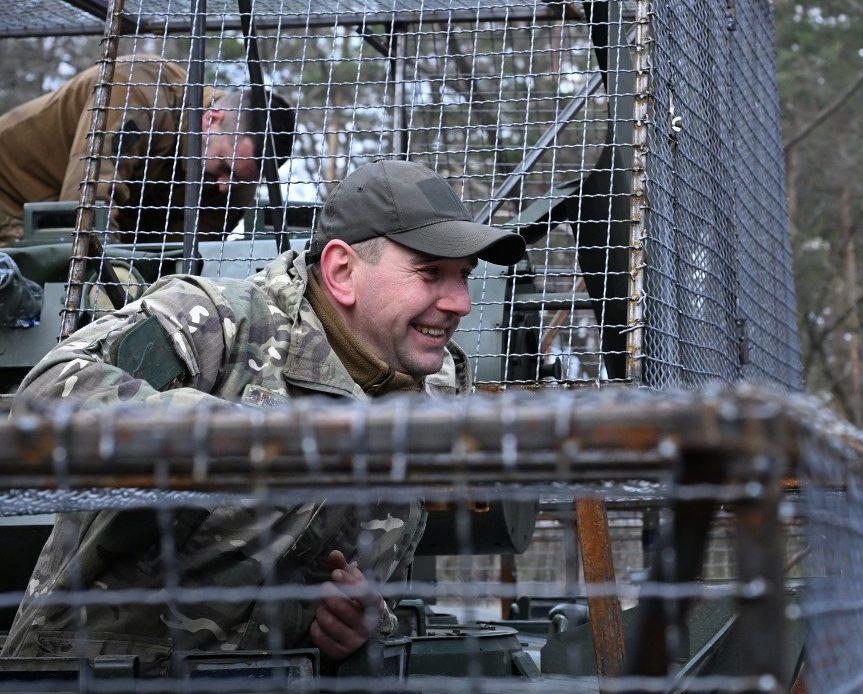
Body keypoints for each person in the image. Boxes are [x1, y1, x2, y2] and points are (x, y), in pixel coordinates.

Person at [0, 160, 526, 674]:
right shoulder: (220, 321)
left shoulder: (427, 410)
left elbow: (363, 589)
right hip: (91, 675)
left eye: (464, 277)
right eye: (431, 273)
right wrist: (246, 442)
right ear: (343, 271)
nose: (459, 302)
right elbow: (48, 394)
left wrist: (360, 629)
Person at [0, 54, 295, 246]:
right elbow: (86, 212)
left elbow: (185, 257)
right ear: (211, 120)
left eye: (239, 179)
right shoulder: (137, 93)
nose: (224, 186)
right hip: (10, 193)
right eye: (225, 168)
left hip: (56, 224)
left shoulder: (239, 173)